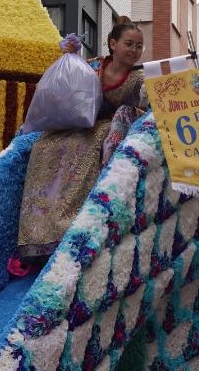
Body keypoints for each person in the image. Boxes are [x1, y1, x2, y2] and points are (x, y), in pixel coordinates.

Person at [16, 18, 147, 259]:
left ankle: (68, 228)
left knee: (81, 148)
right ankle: (34, 236)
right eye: (129, 44)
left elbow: (147, 108)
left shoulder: (140, 79)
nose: (134, 50)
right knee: (43, 148)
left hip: (103, 130)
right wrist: (69, 58)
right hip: (73, 124)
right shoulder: (92, 65)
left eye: (139, 46)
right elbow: (66, 88)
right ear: (113, 44)